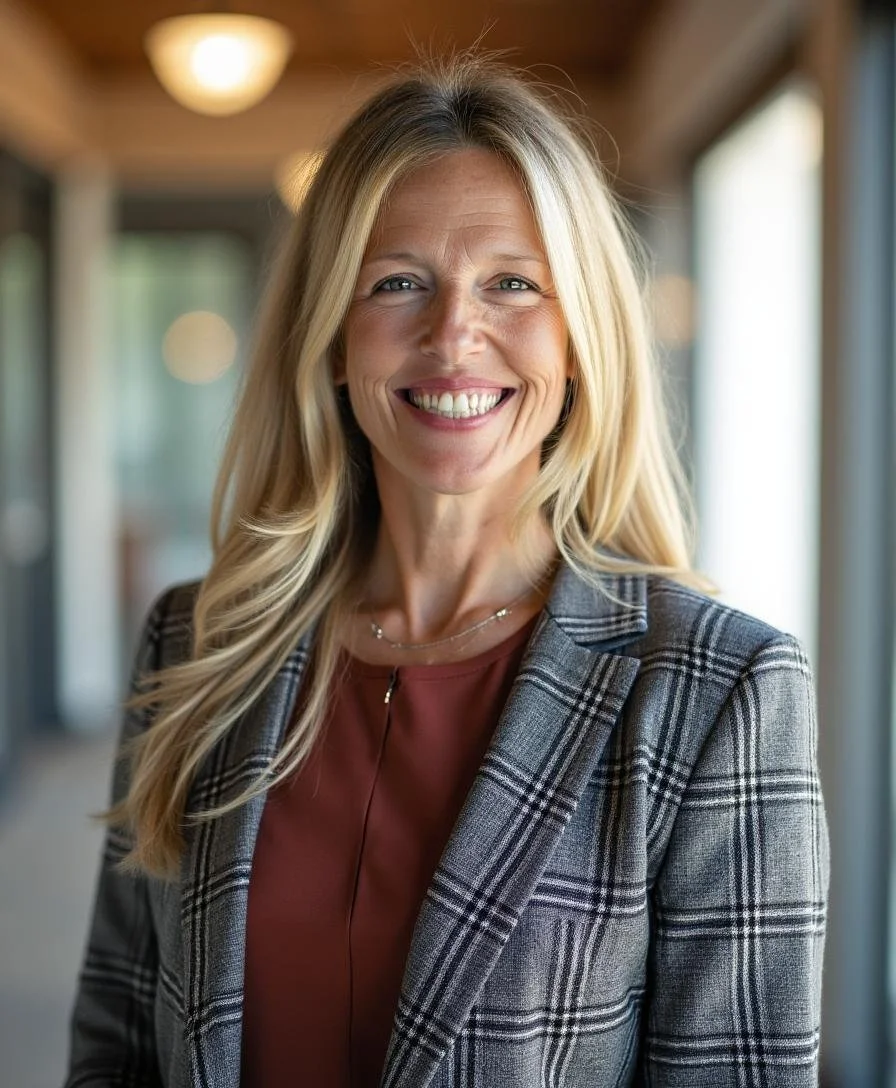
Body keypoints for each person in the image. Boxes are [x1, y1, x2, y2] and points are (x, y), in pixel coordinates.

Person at [66, 54, 829, 1088]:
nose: (452, 335)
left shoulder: (713, 688)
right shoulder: (195, 641)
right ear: (332, 336)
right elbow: (115, 1045)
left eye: (511, 283)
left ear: (580, 339)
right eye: (397, 283)